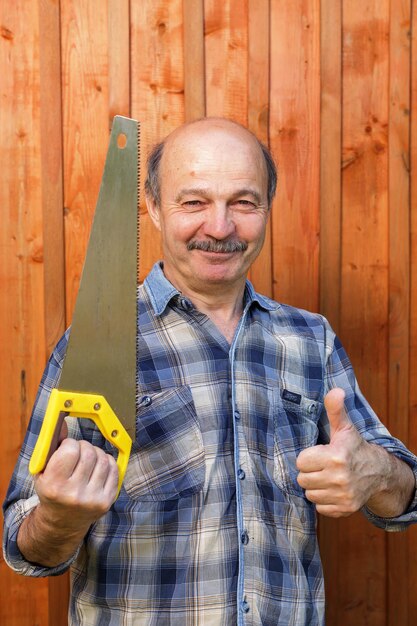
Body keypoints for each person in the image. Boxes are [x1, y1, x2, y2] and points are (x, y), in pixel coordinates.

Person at [3, 117, 417, 626]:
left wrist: (374, 471)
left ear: (267, 208)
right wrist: (59, 518)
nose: (220, 228)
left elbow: (405, 496)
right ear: (153, 207)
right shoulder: (94, 343)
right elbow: (24, 545)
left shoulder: (310, 340)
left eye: (244, 202)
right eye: (193, 202)